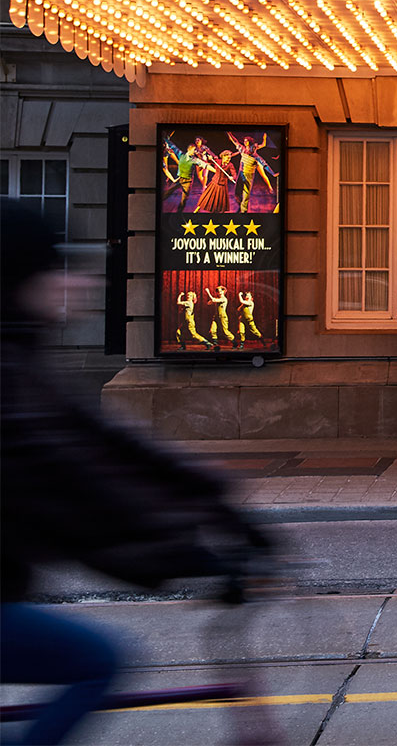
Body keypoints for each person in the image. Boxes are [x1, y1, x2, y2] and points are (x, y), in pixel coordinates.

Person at [2, 202, 275, 746]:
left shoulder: (23, 363)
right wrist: (185, 555)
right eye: (54, 269)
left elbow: (109, 443)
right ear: (18, 280)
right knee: (96, 661)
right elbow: (75, 494)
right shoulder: (9, 379)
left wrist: (217, 500)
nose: (74, 282)